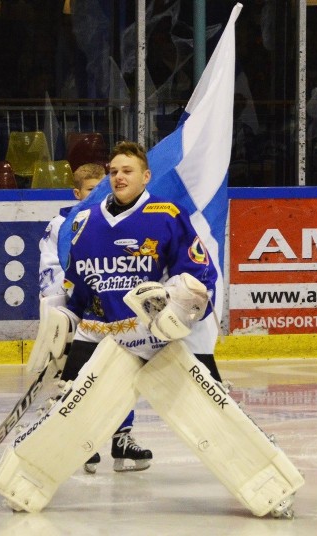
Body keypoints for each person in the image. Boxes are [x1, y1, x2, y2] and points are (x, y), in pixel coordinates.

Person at [57, 142, 221, 471]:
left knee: (214, 406)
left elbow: (198, 273)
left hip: (154, 333)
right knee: (66, 407)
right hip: (99, 329)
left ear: (145, 176)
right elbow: (77, 281)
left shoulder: (168, 215)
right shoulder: (85, 220)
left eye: (127, 171)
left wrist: (182, 306)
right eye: (114, 171)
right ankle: (70, 452)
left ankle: (245, 454)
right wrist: (66, 316)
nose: (119, 177)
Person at [37, 162, 123, 474]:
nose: (99, 194)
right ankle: (78, 439)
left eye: (103, 188)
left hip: (113, 314)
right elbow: (51, 273)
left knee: (119, 374)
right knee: (79, 381)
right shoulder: (62, 225)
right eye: (91, 190)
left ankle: (121, 437)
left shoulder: (115, 220)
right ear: (77, 193)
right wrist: (62, 313)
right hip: (79, 315)